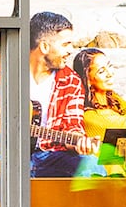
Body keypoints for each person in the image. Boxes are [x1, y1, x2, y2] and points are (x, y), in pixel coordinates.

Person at [29, 11, 97, 178]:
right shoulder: (6, 70)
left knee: (92, 166)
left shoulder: (71, 80)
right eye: (65, 44)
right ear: (44, 46)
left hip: (48, 156)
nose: (70, 50)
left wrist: (79, 142)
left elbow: (73, 125)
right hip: (8, 154)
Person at [71, 48, 126, 141]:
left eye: (109, 66)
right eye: (101, 71)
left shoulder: (118, 101)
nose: (110, 73)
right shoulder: (89, 117)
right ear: (87, 80)